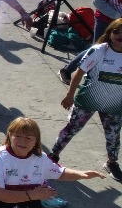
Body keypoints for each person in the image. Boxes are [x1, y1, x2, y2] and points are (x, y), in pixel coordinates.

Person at [51, 18, 122, 182]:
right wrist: (70, 95)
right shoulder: (98, 51)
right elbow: (79, 73)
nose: (120, 35)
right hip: (88, 100)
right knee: (71, 128)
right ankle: (53, 155)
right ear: (109, 32)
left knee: (113, 136)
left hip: (114, 104)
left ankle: (112, 163)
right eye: (116, 31)